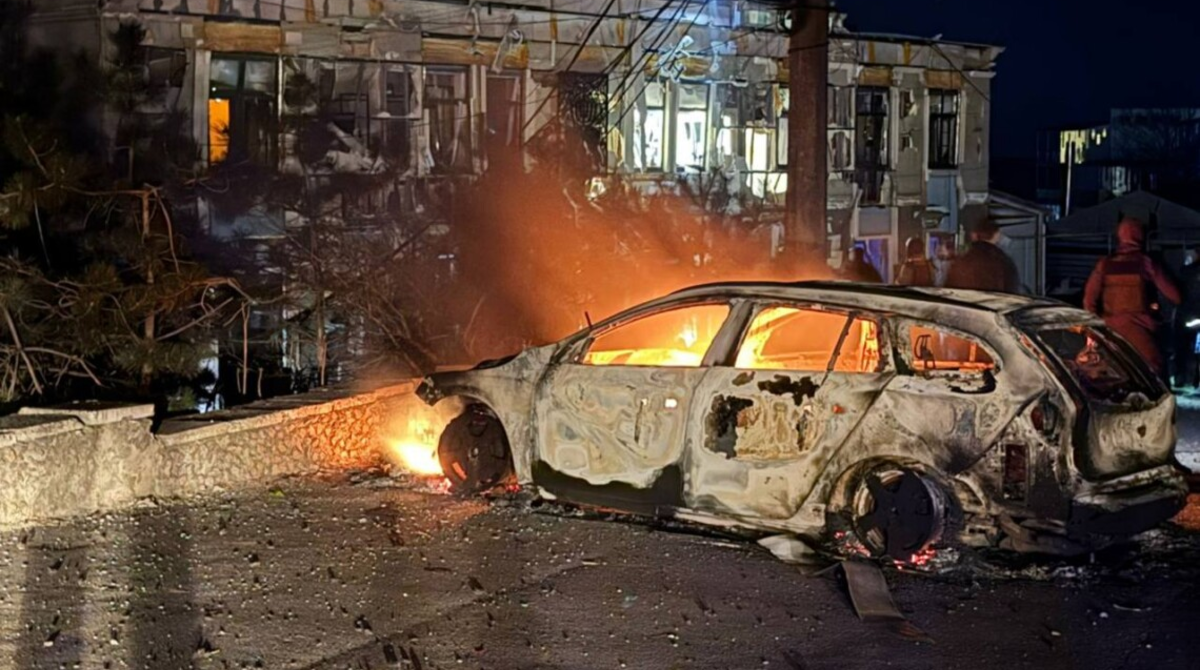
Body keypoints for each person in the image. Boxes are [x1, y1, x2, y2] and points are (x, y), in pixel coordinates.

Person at [1083, 217, 1181, 376]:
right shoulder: (1146, 263)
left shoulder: (1104, 264)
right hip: (1140, 328)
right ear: (1141, 237)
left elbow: (1089, 299)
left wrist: (1093, 329)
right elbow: (1175, 296)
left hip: (1110, 329)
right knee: (1156, 372)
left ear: (1120, 236)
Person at [944, 220, 1022, 293]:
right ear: (996, 235)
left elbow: (951, 289)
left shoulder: (963, 259)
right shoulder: (1005, 262)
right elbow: (1012, 291)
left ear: (974, 235)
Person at [1173, 248, 1200, 388]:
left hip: (1188, 316)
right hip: (1194, 315)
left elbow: (1178, 293)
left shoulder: (1186, 272)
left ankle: (1181, 377)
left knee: (1182, 347)